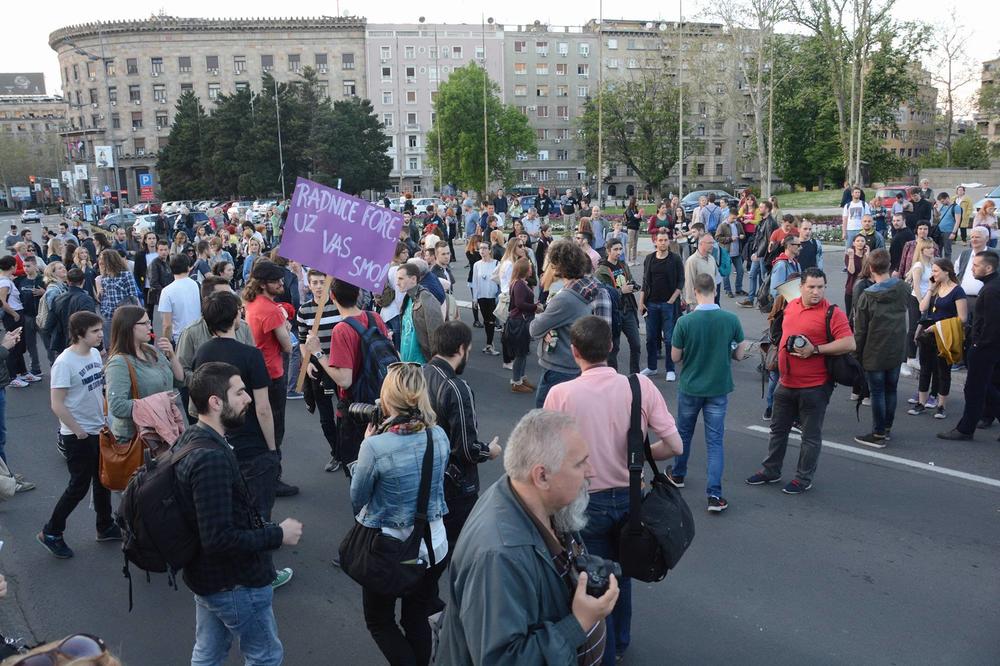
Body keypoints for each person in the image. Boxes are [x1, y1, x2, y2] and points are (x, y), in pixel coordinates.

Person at [544, 317, 681, 663]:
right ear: (610, 347)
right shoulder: (639, 387)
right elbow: (674, 445)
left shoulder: (560, 394)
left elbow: (549, 456)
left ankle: (600, 652)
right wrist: (643, 454)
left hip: (583, 502)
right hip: (632, 497)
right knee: (624, 571)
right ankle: (620, 640)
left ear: (574, 351)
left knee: (592, 578)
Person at [436, 409, 620, 665]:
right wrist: (578, 624)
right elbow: (502, 660)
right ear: (542, 476)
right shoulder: (500, 556)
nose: (590, 472)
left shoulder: (525, 493)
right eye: (580, 463)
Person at [174, 362, 302, 665]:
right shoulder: (211, 459)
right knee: (265, 656)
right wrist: (278, 534)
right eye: (240, 392)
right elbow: (218, 538)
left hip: (208, 580)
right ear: (216, 402)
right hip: (234, 583)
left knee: (208, 652)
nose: (248, 399)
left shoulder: (193, 439)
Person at [349, 363, 450, 666]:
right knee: (416, 616)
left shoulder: (376, 447)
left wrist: (365, 447)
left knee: (380, 620)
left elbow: (358, 500)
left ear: (388, 399)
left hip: (392, 551)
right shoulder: (439, 436)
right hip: (434, 547)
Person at [192, 291, 292, 590]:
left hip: (217, 441)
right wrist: (273, 448)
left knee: (228, 509)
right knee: (258, 511)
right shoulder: (250, 355)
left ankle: (234, 569)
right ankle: (263, 575)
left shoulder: (202, 352)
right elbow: (262, 407)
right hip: (251, 443)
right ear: (237, 317)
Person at [745, 268, 856, 494]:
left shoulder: (832, 313)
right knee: (778, 430)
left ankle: (803, 478)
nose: (816, 292)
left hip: (814, 386)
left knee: (810, 436)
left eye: (821, 287)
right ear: (801, 287)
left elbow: (849, 343)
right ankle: (771, 471)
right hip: (786, 382)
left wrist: (815, 349)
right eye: (811, 287)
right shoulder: (792, 306)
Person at [38, 311, 119, 559]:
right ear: (79, 334)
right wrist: (78, 430)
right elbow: (57, 404)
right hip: (79, 436)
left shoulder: (95, 354)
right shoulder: (64, 363)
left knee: (103, 479)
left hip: (98, 428)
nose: (100, 335)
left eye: (100, 330)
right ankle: (51, 532)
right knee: (79, 486)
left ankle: (104, 525)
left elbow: (98, 389)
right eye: (95, 331)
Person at [670, 274, 748, 511]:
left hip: (691, 387)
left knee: (683, 433)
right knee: (715, 442)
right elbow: (740, 354)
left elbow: (675, 357)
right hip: (718, 388)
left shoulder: (685, 322)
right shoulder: (730, 319)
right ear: (714, 291)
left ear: (695, 292)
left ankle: (678, 474)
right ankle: (714, 494)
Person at [423, 321, 502, 549]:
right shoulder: (457, 388)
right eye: (468, 349)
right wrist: (490, 450)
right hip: (454, 486)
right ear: (460, 349)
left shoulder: (420, 373)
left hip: (425, 474)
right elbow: (466, 449)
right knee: (460, 546)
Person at [302, 279, 391, 474]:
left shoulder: (341, 330)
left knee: (358, 466)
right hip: (382, 396)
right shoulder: (375, 317)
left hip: (356, 407)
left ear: (332, 297)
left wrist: (318, 353)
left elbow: (344, 380)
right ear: (359, 294)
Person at [529, 240, 608, 406]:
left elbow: (534, 329)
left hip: (559, 367)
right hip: (578, 364)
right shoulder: (588, 288)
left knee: (543, 417)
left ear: (558, 267)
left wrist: (547, 324)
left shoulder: (565, 298)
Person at [242, 260, 297, 498]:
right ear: (264, 284)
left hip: (255, 372)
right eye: (277, 281)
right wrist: (286, 324)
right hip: (273, 374)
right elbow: (287, 346)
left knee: (258, 428)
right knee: (274, 430)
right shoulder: (271, 310)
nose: (281, 284)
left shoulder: (251, 303)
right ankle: (272, 479)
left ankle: (261, 476)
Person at [938, 251, 1000, 440]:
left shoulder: (991, 290)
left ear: (988, 268)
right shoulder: (992, 285)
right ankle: (967, 427)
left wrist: (977, 345)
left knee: (974, 389)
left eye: (976, 265)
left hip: (985, 349)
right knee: (986, 387)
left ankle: (965, 429)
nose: (972, 268)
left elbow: (992, 324)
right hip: (989, 348)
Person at [852, 249, 909, 447]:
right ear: (889, 265)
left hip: (874, 351)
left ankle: (877, 434)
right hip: (896, 347)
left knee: (877, 392)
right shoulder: (902, 287)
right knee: (891, 389)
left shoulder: (867, 296)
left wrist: (856, 355)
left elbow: (860, 331)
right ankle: (886, 428)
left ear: (870, 268)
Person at [105, 305, 184, 444]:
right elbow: (117, 406)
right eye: (145, 323)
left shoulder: (151, 350)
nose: (150, 327)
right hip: (137, 438)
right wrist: (158, 404)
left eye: (149, 322)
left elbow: (179, 381)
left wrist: (172, 356)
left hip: (162, 431)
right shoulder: (119, 363)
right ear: (128, 327)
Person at [295, 270, 344, 472]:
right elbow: (301, 342)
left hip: (341, 365)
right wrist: (308, 363)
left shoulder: (339, 306)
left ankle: (347, 451)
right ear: (309, 284)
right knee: (325, 416)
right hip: (318, 367)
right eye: (314, 282)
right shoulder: (304, 311)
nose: (318, 286)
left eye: (322, 282)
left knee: (346, 411)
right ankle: (336, 453)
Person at [907, 258, 966, 420]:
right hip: (929, 334)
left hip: (945, 335)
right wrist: (931, 289)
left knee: (943, 371)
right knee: (925, 369)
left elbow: (962, 318)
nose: (932, 274)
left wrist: (939, 327)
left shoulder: (957, 291)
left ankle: (941, 406)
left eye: (935, 271)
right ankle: (921, 402)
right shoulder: (935, 288)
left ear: (946, 271)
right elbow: (923, 308)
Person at [638, 229, 684, 381]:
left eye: (665, 240)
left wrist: (672, 299)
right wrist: (641, 301)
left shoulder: (675, 259)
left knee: (669, 338)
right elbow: (645, 281)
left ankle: (670, 369)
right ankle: (652, 367)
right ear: (655, 242)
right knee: (651, 337)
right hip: (651, 304)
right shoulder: (650, 258)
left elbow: (681, 281)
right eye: (660, 240)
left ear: (668, 242)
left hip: (668, 304)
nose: (663, 243)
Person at [596, 238, 641, 374]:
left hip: (628, 310)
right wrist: (621, 291)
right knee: (613, 348)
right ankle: (612, 376)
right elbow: (603, 292)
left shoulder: (623, 265)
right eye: (615, 249)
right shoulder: (601, 271)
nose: (619, 252)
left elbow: (630, 280)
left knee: (636, 344)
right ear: (608, 251)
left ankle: (635, 374)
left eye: (620, 249)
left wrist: (634, 286)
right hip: (614, 312)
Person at [395, 262, 444, 364]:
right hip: (407, 363)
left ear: (413, 279)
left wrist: (436, 363)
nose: (397, 283)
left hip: (422, 364)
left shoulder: (426, 298)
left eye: (401, 279)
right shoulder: (407, 298)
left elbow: (436, 333)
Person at [0, 256, 33, 387]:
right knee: (13, 345)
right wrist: (14, 314)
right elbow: (2, 302)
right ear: (13, 267)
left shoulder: (6, 280)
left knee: (19, 345)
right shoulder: (4, 282)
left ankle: (22, 372)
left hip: (16, 313)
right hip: (13, 315)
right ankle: (12, 376)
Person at [94, 249, 140, 343]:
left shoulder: (125, 275)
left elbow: (133, 295)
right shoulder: (102, 277)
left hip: (124, 315)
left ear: (110, 260)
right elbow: (101, 299)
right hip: (108, 315)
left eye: (103, 259)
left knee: (126, 342)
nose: (100, 261)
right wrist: (99, 293)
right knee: (111, 344)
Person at [157, 254, 201, 345]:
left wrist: (167, 343)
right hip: (198, 335)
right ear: (189, 268)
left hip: (179, 339)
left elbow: (167, 325)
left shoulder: (166, 291)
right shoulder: (196, 285)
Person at [14, 256, 44, 380]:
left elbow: (55, 292)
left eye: (28, 266)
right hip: (27, 316)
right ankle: (35, 368)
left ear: (35, 266)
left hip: (42, 316)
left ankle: (55, 365)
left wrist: (44, 292)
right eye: (24, 266)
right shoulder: (20, 281)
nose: (25, 269)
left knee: (48, 343)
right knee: (31, 344)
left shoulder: (43, 280)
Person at [470, 241, 500, 355]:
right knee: (486, 321)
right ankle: (489, 343)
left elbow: (501, 280)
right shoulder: (477, 264)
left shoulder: (497, 263)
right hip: (482, 296)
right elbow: (475, 282)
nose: (482, 250)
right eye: (480, 248)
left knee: (492, 321)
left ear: (490, 250)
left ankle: (489, 344)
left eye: (484, 248)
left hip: (493, 296)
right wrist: (475, 298)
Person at [684, 233, 719, 309]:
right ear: (701, 243)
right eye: (710, 243)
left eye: (713, 243)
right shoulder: (692, 261)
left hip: (711, 301)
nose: (712, 245)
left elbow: (714, 278)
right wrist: (692, 304)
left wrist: (714, 294)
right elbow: (689, 283)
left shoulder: (711, 259)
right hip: (697, 304)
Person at [145, 239, 173, 321]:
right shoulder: (154, 263)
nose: (163, 252)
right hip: (157, 298)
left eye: (165, 249)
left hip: (166, 296)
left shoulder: (168, 262)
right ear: (157, 251)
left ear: (168, 250)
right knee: (161, 324)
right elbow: (153, 283)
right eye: (161, 250)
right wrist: (166, 292)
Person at [844, 233, 869, 316]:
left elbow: (868, 272)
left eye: (862, 241)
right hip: (851, 289)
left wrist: (867, 255)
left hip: (865, 290)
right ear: (854, 243)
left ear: (865, 243)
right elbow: (851, 271)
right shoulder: (849, 256)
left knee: (863, 316)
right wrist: (851, 257)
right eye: (857, 241)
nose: (860, 243)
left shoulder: (867, 256)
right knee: (850, 315)